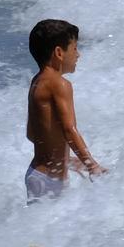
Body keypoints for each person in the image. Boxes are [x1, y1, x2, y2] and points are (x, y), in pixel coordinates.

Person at [24, 18, 103, 199]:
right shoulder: (60, 84)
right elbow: (69, 129)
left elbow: (32, 134)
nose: (78, 55)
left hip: (38, 175)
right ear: (59, 52)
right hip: (50, 179)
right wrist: (92, 166)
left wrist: (64, 160)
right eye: (74, 48)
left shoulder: (37, 82)